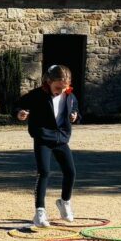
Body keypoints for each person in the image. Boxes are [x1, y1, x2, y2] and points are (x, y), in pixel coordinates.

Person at [14, 64, 80, 228]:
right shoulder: (37, 95)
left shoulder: (70, 96)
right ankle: (40, 212)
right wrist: (19, 113)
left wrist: (75, 116)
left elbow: (76, 110)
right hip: (43, 138)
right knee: (44, 172)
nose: (61, 91)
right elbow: (18, 105)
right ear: (48, 82)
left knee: (70, 172)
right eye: (57, 87)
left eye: (64, 88)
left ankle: (64, 202)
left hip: (61, 139)